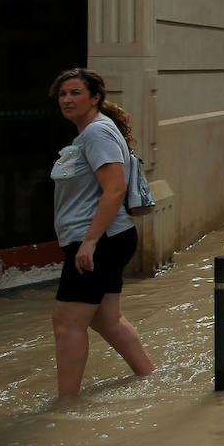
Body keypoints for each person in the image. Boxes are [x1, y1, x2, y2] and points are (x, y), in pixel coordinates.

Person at [49, 68, 155, 399]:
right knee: (107, 320)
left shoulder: (96, 133)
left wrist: (90, 243)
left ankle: (65, 406)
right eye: (63, 94)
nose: (67, 99)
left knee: (66, 322)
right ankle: (150, 377)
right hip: (106, 239)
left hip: (99, 240)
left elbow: (114, 190)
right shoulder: (93, 133)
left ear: (96, 98)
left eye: (76, 93)